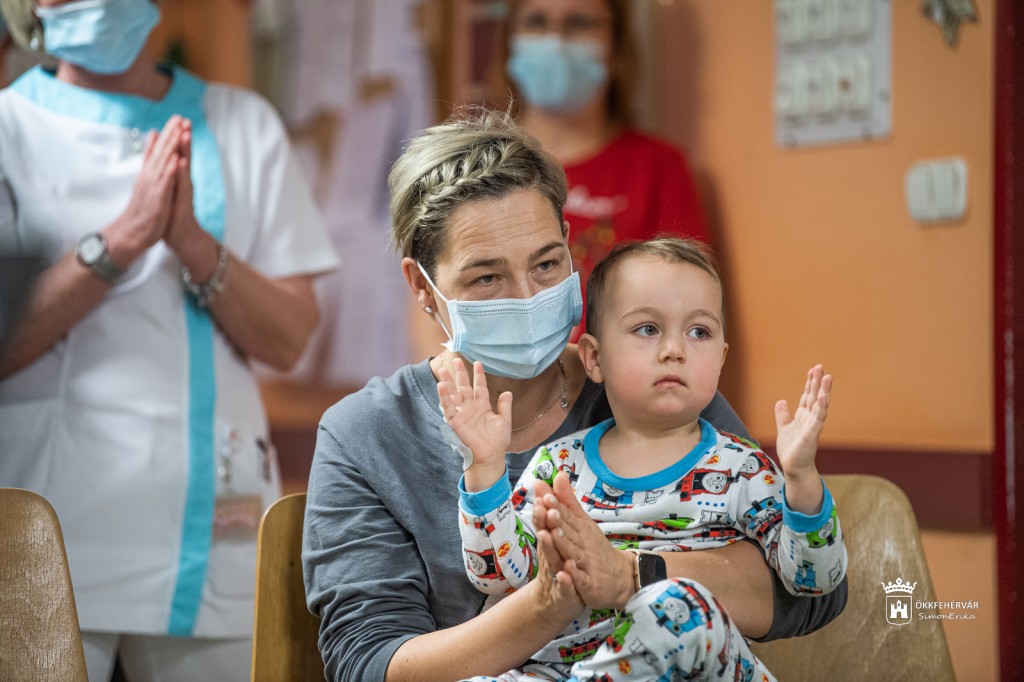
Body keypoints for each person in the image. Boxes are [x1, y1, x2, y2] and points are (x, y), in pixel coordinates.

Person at [302, 109, 846, 682]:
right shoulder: (365, 435)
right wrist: (552, 599)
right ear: (422, 286)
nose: (526, 296)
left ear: (568, 244)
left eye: (546, 263)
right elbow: (367, 663)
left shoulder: (650, 389)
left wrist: (629, 573)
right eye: (487, 277)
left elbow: (808, 592)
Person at [0, 0, 339, 679]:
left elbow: (289, 339)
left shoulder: (243, 123)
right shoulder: (9, 127)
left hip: (211, 527)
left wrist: (192, 243)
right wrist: (124, 239)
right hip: (46, 519)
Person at [439, 237, 846, 681]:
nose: (675, 349)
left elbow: (812, 580)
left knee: (677, 608)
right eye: (648, 329)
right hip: (557, 670)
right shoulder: (558, 465)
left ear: (721, 358)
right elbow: (500, 577)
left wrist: (801, 479)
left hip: (693, 661)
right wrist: (484, 468)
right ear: (594, 358)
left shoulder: (741, 469)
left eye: (699, 332)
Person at [502, 0, 708, 335]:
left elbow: (691, 315)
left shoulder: (659, 168)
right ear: (509, 39)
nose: (556, 39)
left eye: (580, 23)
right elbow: (432, 302)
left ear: (617, 47)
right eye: (536, 21)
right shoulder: (471, 164)